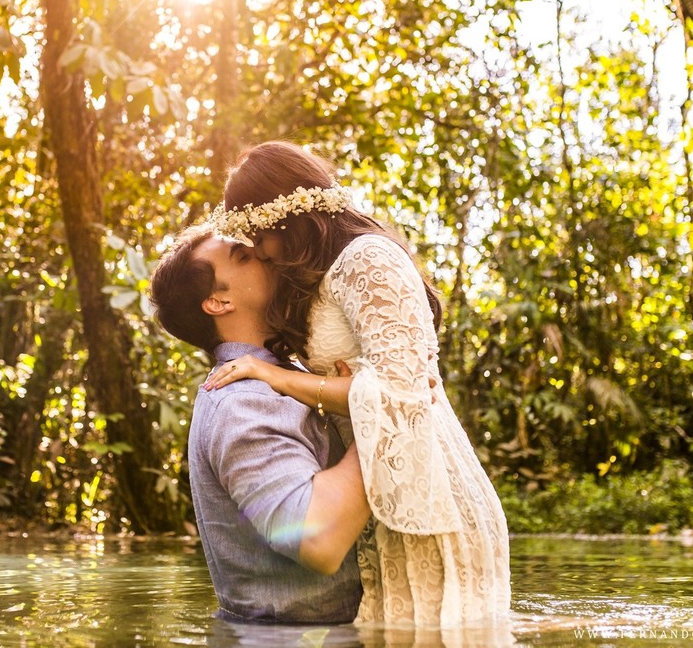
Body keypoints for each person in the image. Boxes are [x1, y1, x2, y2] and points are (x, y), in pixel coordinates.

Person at [203, 140, 512, 628]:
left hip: (429, 495)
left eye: (257, 233)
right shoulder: (316, 277)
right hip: (373, 498)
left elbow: (403, 397)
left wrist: (279, 377)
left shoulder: (368, 259)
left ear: (287, 216)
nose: (258, 249)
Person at [149, 225, 372, 625]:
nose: (263, 250)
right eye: (242, 255)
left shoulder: (283, 377)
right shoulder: (242, 402)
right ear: (218, 300)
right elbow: (317, 540)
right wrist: (379, 412)